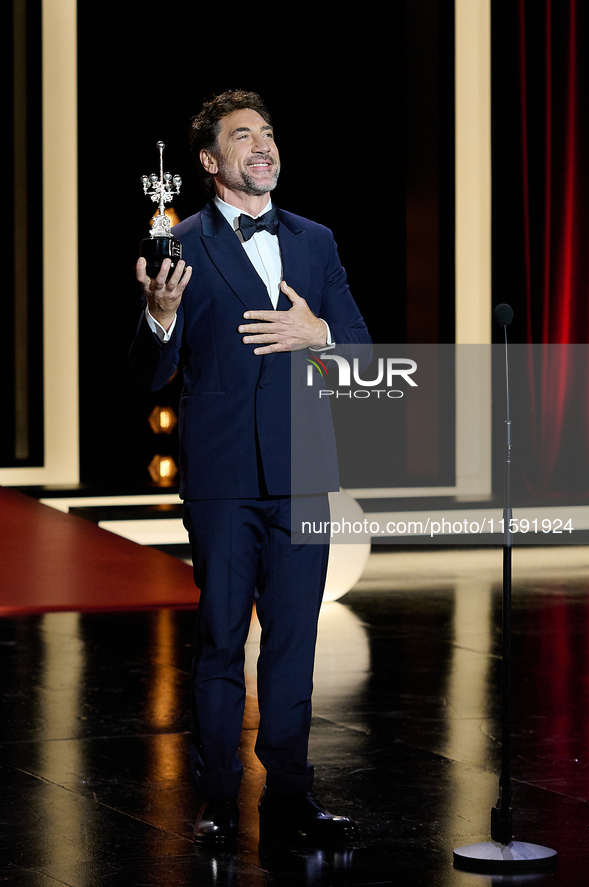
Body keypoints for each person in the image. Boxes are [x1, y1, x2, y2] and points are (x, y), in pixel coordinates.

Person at [130, 89, 371, 845]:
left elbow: (360, 359)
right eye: (243, 136)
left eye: (267, 133)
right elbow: (146, 376)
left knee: (295, 643)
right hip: (223, 476)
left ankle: (290, 799)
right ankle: (213, 799)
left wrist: (318, 331)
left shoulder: (315, 239)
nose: (263, 145)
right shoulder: (181, 243)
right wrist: (160, 318)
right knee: (221, 641)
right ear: (208, 161)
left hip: (304, 470)